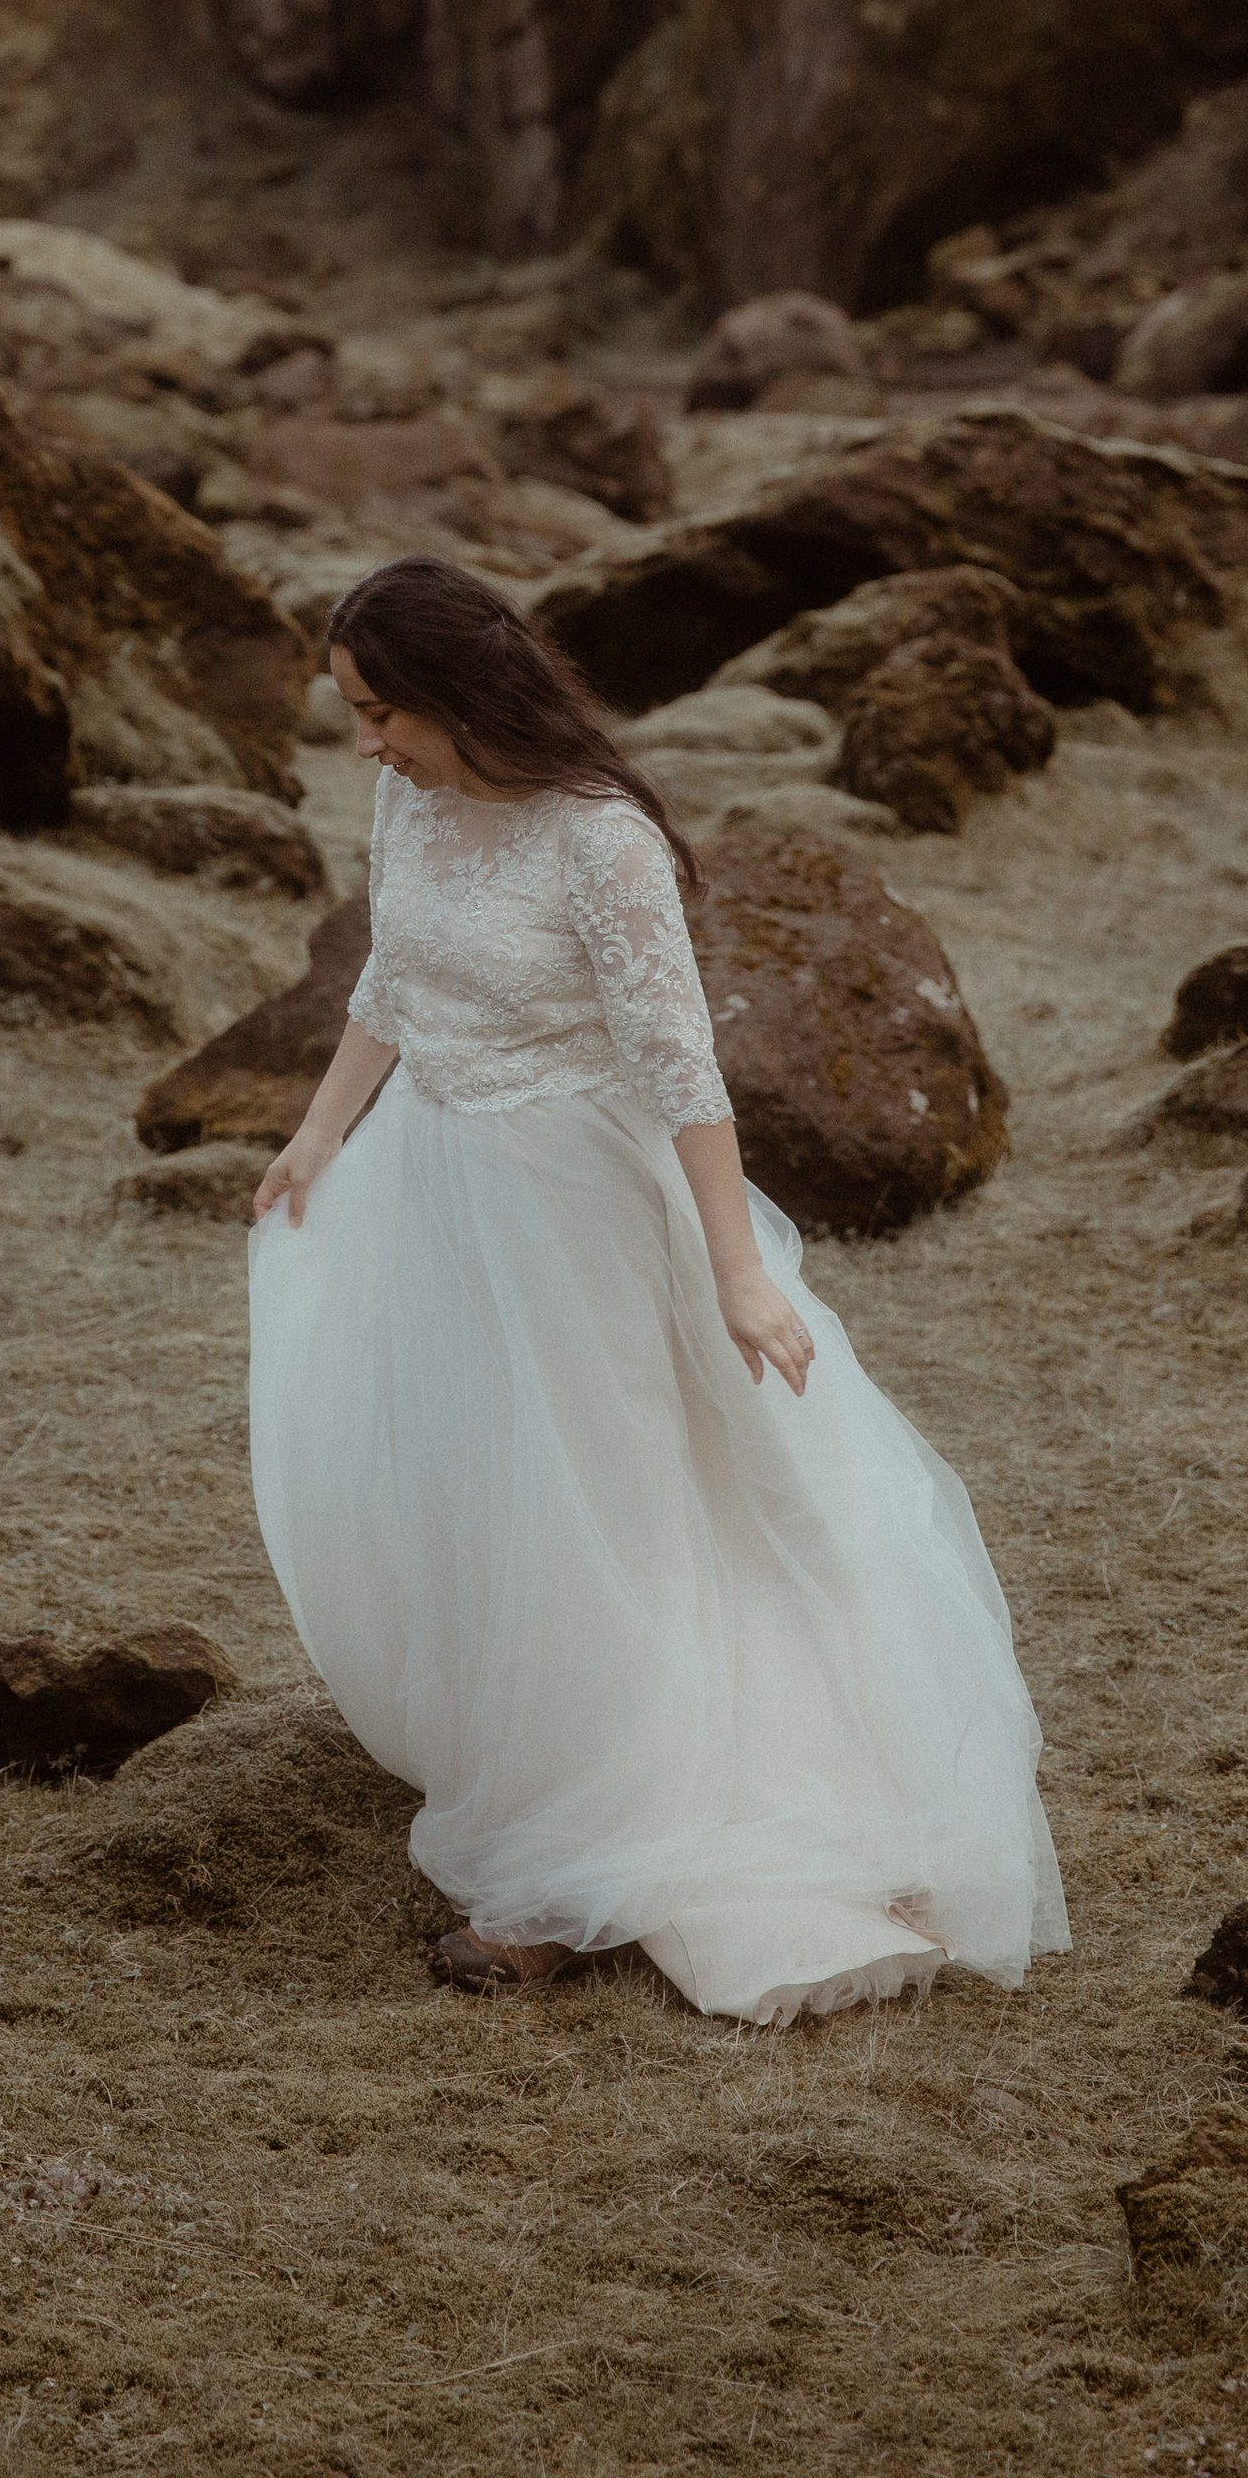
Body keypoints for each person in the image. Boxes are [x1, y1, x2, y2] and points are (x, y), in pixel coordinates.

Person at [247, 554, 1066, 2023]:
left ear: (458, 690)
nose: (366, 743)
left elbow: (680, 1062)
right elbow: (394, 974)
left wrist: (741, 1274)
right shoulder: (409, 799)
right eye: (355, 715)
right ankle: (531, 1766)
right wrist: (320, 1132)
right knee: (480, 1490)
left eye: (382, 712)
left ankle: (572, 1875)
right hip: (433, 1182)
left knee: (595, 1503)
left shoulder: (598, 839)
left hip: (574, 1205)